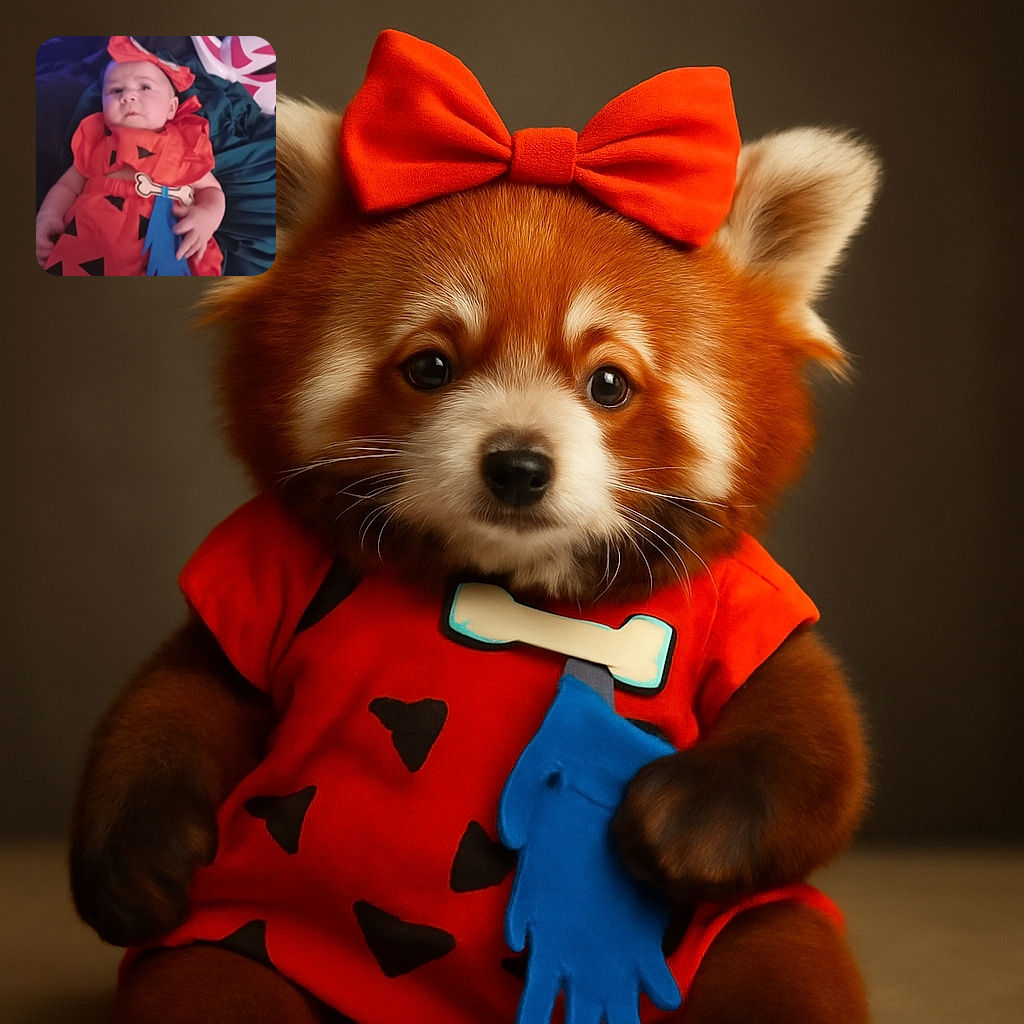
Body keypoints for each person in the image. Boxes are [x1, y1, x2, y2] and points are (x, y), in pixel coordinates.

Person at [36, 37, 224, 276]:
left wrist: (207, 216)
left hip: (168, 241)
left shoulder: (184, 144)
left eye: (144, 87)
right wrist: (48, 214)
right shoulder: (95, 141)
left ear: (171, 108)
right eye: (115, 90)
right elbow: (66, 186)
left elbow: (212, 190)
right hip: (90, 242)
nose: (127, 97)